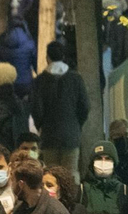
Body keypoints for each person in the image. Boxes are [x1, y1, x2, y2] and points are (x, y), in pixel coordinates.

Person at [28, 41, 89, 175]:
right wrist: (77, 125)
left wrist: (40, 126)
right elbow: (85, 106)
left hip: (49, 135)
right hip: (71, 135)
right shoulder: (76, 78)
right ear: (63, 56)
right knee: (70, 173)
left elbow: (36, 108)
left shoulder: (40, 81)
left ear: (47, 58)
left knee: (51, 174)